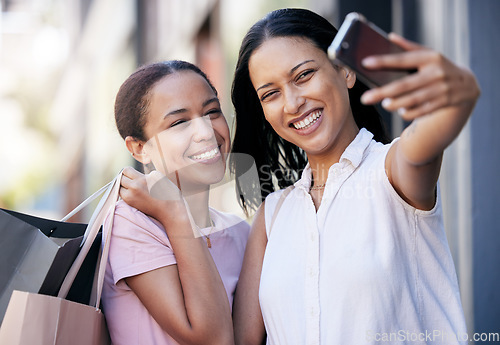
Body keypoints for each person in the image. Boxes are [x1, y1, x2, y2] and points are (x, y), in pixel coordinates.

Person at [230, 8, 480, 345]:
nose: (292, 103)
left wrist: (456, 96)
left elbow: (436, 126)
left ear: (346, 71)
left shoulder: (391, 171)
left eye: (303, 75)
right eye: (270, 93)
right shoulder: (272, 217)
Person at [102, 60, 250, 345]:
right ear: (139, 148)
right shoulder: (131, 225)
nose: (206, 132)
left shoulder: (240, 232)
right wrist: (174, 213)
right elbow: (213, 338)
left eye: (212, 112)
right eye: (179, 122)